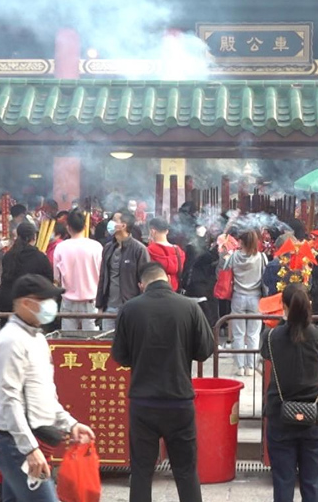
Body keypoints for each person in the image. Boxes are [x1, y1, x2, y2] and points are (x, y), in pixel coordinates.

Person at [111, 263, 214, 502]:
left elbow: (120, 356)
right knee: (186, 471)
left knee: (141, 472)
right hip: (179, 401)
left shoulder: (129, 309)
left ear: (142, 285)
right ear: (167, 278)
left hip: (143, 403)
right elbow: (205, 350)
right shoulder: (189, 307)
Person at [0, 275, 95, 502]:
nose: (52, 305)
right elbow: (10, 400)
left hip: (25, 439)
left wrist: (70, 423)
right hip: (14, 441)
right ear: (26, 303)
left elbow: (44, 394)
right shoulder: (10, 341)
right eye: (45, 300)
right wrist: (29, 449)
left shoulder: (37, 338)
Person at [261, 284, 318, 502]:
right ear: (308, 304)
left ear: (283, 306)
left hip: (280, 416)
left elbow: (265, 352)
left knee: (283, 481)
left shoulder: (271, 337)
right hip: (314, 416)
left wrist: (283, 320)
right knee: (312, 483)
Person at [96, 210, 150, 332]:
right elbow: (103, 277)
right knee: (107, 341)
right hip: (109, 307)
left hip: (131, 308)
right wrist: (100, 305)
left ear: (123, 226)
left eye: (115, 220)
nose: (110, 223)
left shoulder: (139, 249)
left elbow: (145, 280)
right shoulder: (108, 248)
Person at [53, 209, 103, 331]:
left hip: (68, 300)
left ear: (68, 227)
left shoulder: (60, 248)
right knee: (91, 338)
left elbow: (56, 278)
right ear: (85, 227)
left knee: (68, 337)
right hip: (91, 300)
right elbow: (103, 274)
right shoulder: (96, 247)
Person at [228, 230, 267, 376]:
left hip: (238, 296)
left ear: (241, 242)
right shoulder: (261, 257)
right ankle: (251, 367)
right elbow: (265, 278)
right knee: (253, 334)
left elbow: (223, 270)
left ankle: (240, 367)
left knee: (238, 334)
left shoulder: (234, 256)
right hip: (256, 298)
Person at [0, 222, 53, 314]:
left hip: (6, 302)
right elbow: (48, 281)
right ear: (34, 237)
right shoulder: (40, 257)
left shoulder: (8, 255)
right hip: (28, 305)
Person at [147, 217, 187, 292]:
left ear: (152, 231)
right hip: (174, 290)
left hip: (155, 290)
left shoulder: (150, 250)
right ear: (167, 231)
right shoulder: (178, 250)